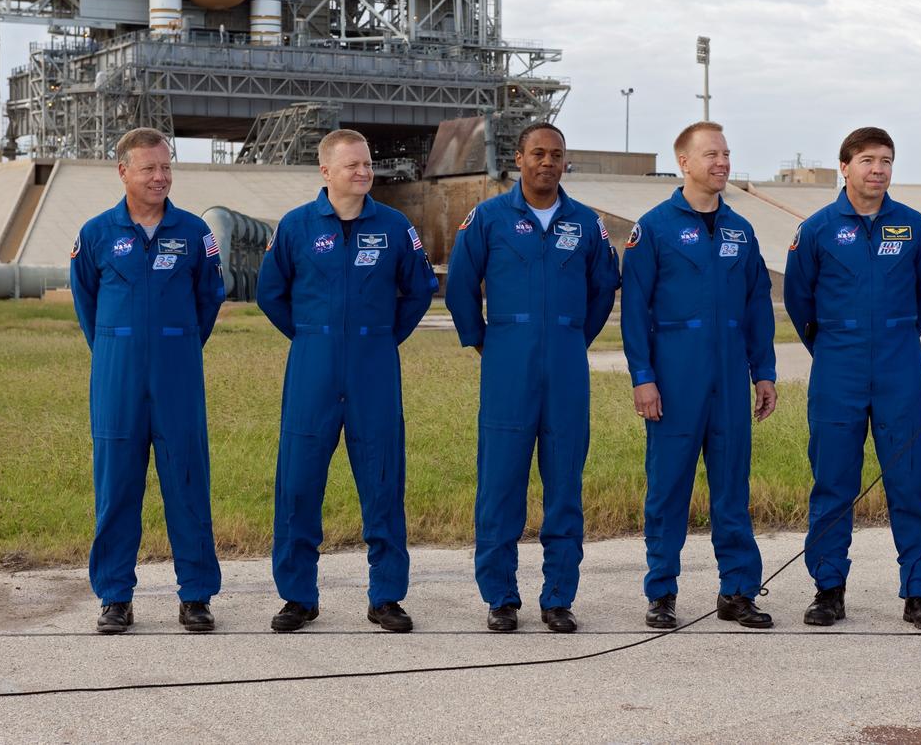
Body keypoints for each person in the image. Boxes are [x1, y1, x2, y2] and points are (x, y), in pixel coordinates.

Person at [256, 129, 437, 633]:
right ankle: (298, 597)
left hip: (374, 364)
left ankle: (386, 597)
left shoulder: (396, 226)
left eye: (367, 164)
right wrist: (313, 337)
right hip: (312, 365)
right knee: (298, 484)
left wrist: (380, 338)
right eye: (352, 165)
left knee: (383, 480)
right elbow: (271, 293)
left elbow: (419, 289)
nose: (363, 172)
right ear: (326, 172)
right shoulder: (295, 227)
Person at [446, 122, 619, 633]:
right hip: (507, 365)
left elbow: (602, 291)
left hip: (565, 366)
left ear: (566, 162)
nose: (547, 161)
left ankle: (558, 598)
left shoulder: (586, 223)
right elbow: (459, 287)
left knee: (565, 485)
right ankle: (500, 597)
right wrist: (485, 342)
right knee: (500, 485)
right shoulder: (489, 217)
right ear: (518, 158)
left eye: (557, 154)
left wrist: (571, 339)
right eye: (537, 153)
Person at [783, 126, 921, 631]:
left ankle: (920, 593)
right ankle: (828, 589)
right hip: (838, 365)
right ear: (845, 166)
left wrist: (895, 336)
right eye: (868, 160)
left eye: (886, 161)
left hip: (899, 365)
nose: (877, 169)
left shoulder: (915, 227)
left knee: (910, 480)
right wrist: (836, 345)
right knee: (832, 480)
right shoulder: (816, 230)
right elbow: (799, 301)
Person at [621, 120, 777, 630]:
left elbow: (757, 305)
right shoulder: (654, 228)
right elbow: (634, 310)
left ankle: (737, 591)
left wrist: (765, 372)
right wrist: (643, 377)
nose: (722, 163)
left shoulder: (740, 230)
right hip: (674, 377)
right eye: (710, 154)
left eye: (726, 154)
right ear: (683, 162)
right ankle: (661, 592)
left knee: (732, 488)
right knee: (668, 490)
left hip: (730, 378)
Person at [69, 127, 225, 634]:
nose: (160, 177)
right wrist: (119, 348)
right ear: (123, 172)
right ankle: (115, 596)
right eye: (149, 168)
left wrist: (175, 344)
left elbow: (210, 298)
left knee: (187, 481)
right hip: (117, 375)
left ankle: (196, 596)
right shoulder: (95, 234)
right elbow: (86, 302)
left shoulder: (194, 233)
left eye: (166, 167)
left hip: (178, 372)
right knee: (116, 485)